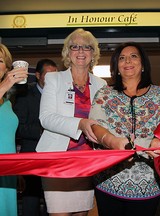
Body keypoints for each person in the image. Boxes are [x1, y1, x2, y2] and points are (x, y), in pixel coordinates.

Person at [88, 42, 160, 216]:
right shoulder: (105, 94)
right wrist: (112, 141)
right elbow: (95, 126)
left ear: (143, 64)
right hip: (108, 182)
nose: (128, 61)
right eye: (122, 58)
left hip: (149, 184)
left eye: (133, 56)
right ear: (116, 67)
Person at [35, 28, 107, 216]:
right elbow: (46, 118)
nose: (81, 51)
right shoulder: (54, 79)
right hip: (57, 161)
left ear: (93, 53)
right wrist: (80, 123)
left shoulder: (102, 84)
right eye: (75, 46)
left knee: (81, 214)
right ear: (68, 52)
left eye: (86, 47)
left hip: (87, 162)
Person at [13, 59, 58, 216]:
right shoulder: (25, 95)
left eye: (55, 75)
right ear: (38, 75)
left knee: (52, 205)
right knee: (30, 205)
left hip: (54, 159)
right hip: (31, 157)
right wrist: (42, 131)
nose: (53, 79)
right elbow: (17, 128)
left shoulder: (59, 97)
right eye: (48, 75)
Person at [0, 43, 28, 216]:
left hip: (7, 174)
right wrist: (4, 85)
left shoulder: (8, 103)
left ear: (6, 68)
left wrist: (17, 170)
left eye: (0, 60)